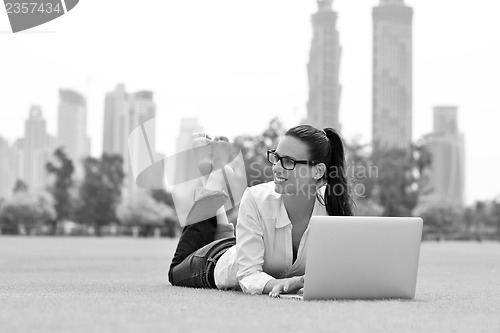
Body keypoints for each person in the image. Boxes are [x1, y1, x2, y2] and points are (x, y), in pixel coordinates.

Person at [168, 125, 353, 297]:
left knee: (233, 243)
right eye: (276, 157)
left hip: (243, 245)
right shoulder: (257, 198)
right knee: (176, 272)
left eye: (288, 161)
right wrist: (278, 283)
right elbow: (248, 274)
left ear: (318, 171)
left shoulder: (332, 207)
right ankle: (214, 181)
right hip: (217, 262)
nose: (277, 167)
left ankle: (211, 174)